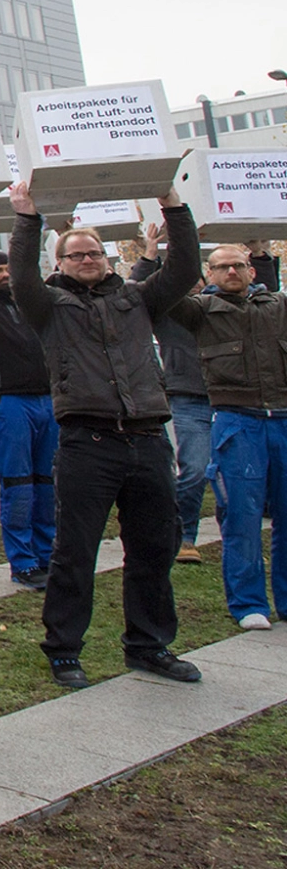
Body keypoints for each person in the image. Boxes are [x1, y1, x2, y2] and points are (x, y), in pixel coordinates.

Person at [2, 182, 203, 690]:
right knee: (75, 551)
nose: (87, 258)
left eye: (94, 252)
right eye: (76, 254)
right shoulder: (47, 306)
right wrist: (26, 216)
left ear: (109, 259)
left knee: (155, 547)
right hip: (87, 443)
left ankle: (149, 644)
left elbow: (183, 269)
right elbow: (22, 275)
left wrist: (172, 205)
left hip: (147, 438)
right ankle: (64, 648)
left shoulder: (139, 300)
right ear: (61, 263)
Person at [166, 242, 287, 629]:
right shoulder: (199, 310)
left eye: (238, 265)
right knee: (241, 515)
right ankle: (248, 602)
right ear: (209, 274)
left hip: (283, 418)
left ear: (251, 270)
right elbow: (163, 293)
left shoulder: (278, 306)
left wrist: (263, 251)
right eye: (221, 267)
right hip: (238, 421)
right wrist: (157, 254)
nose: (231, 272)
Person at [0, 248, 57, 588]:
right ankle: (23, 561)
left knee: (47, 483)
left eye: (11, 268)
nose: (6, 274)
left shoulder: (36, 305)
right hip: (10, 403)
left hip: (48, 400)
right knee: (18, 484)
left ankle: (48, 554)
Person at [132, 223, 215, 563]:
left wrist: (260, 249)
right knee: (193, 469)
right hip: (189, 398)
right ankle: (185, 535)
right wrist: (150, 253)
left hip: (235, 400)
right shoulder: (168, 313)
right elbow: (137, 292)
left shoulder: (222, 307)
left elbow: (264, 290)